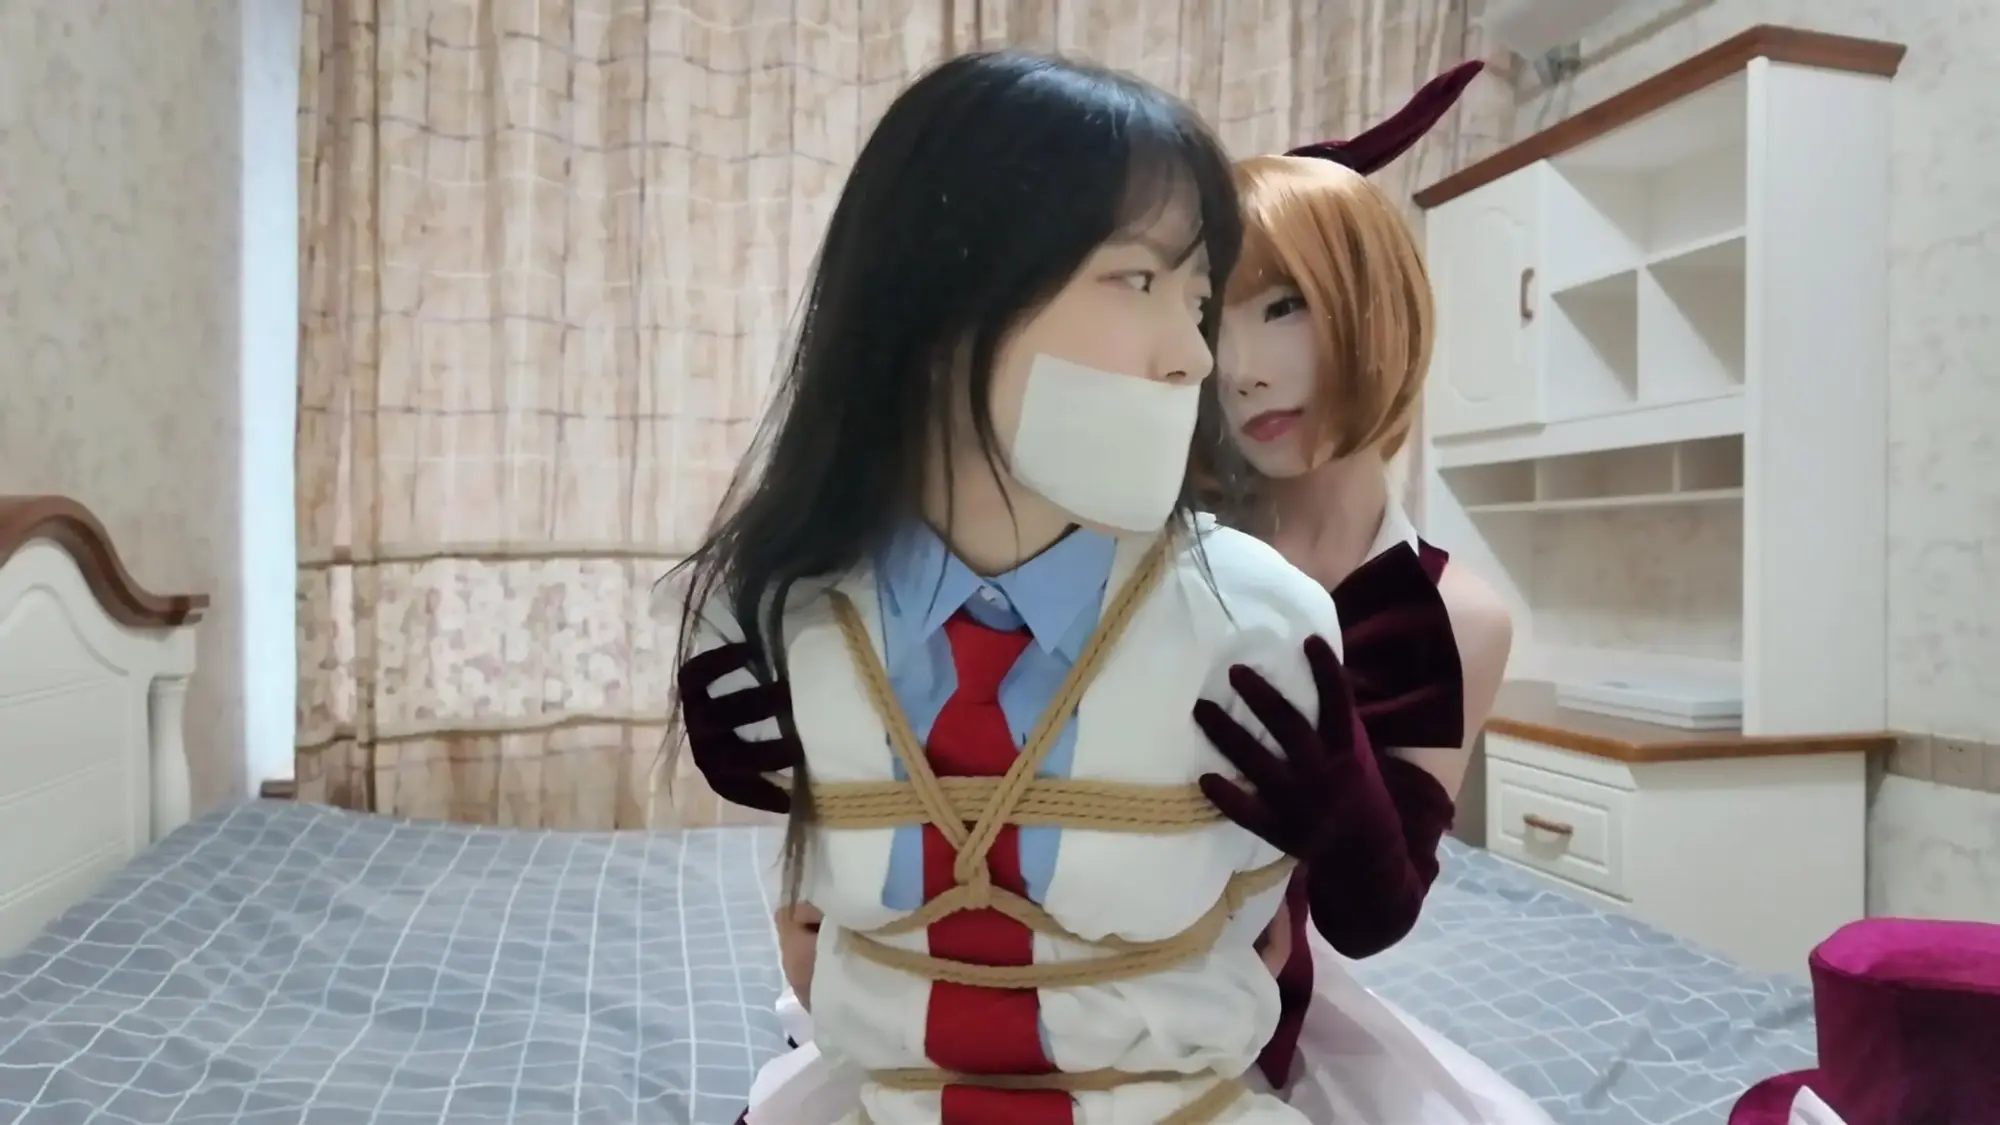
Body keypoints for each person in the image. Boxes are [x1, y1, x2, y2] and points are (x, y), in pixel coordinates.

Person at [667, 49, 1370, 1125]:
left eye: (1197, 298)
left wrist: (1345, 843)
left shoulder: (1258, 626)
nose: (1196, 357)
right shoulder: (782, 613)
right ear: (940, 293)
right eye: (1138, 280)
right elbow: (811, 938)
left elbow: (1278, 924)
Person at [1192, 61, 1522, 1099]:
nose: (1242, 367)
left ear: (1371, 303)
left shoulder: (1453, 619)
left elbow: (1369, 919)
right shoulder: (1155, 543)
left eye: (1283, 305)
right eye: (1212, 323)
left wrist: (1336, 801)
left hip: (1247, 1015)